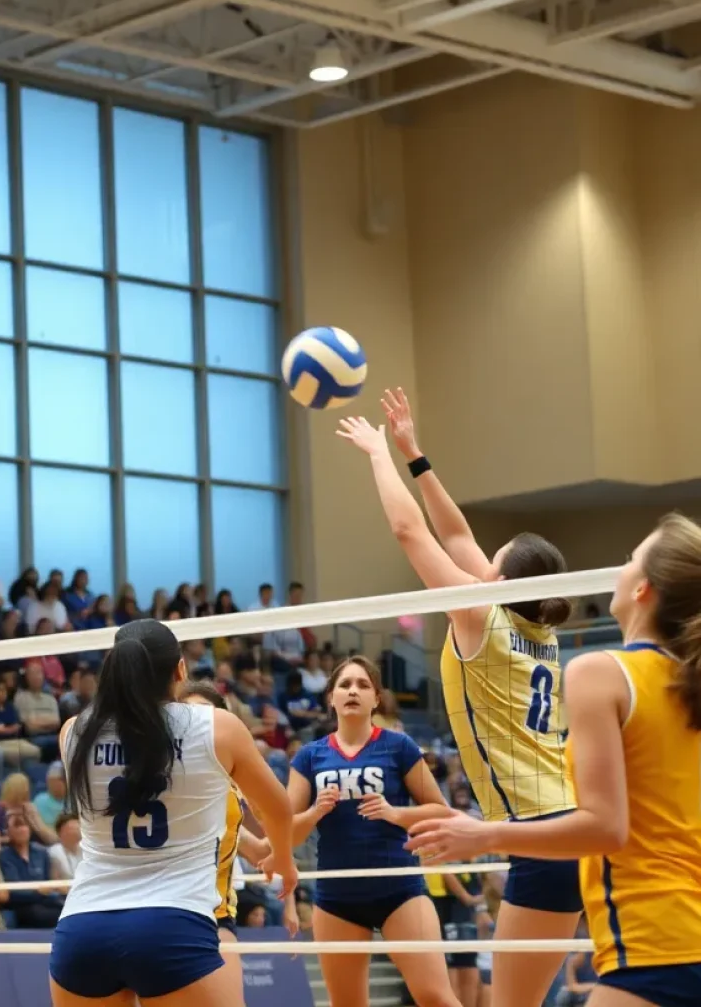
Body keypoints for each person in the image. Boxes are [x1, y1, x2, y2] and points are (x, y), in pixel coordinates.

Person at [337, 391, 579, 1007]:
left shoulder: (480, 613)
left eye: (489, 561)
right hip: (567, 826)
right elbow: (454, 530)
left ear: (499, 579)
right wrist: (413, 452)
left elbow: (409, 530)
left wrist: (375, 455)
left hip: (539, 831)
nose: (479, 560)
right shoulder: (538, 628)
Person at [408, 513, 701, 1007]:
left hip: (653, 937)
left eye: (630, 559)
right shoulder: (683, 683)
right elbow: (459, 539)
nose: (618, 567)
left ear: (643, 589)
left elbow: (607, 827)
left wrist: (483, 834)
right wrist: (415, 457)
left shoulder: (601, 673)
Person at [49, 619, 298, 1007]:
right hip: (171, 924)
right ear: (180, 670)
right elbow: (278, 809)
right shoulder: (216, 727)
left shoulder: (73, 732)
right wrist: (283, 859)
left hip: (83, 928)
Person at [288, 656, 460, 1007]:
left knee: (434, 996)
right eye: (345, 685)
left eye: (363, 685)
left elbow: (442, 811)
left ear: (376, 699)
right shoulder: (309, 756)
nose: (353, 691)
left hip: (399, 889)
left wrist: (394, 813)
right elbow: (286, 835)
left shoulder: (398, 746)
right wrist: (315, 811)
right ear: (331, 698)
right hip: (337, 897)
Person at [178, 680, 300, 992]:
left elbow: (259, 851)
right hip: (166, 911)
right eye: (189, 713)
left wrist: (311, 816)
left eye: (208, 715)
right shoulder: (164, 778)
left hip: (216, 915)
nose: (200, 724)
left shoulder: (231, 787)